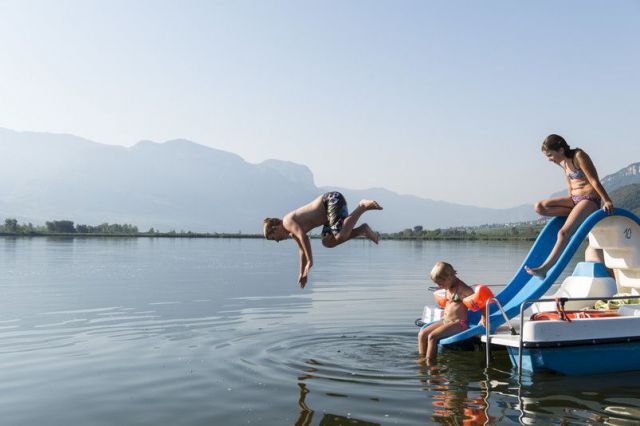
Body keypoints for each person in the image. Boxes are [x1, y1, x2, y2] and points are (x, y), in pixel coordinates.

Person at [525, 134, 614, 278]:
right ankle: (576, 214)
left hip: (589, 199)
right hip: (575, 200)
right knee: (539, 207)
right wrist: (571, 205)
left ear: (560, 150)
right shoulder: (564, 164)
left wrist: (607, 200)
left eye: (550, 155)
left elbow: (594, 180)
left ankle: (545, 268)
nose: (549, 159)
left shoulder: (579, 156)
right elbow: (570, 188)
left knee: (563, 233)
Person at [263, 192, 383, 288]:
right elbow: (302, 250)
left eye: (274, 238)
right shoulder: (293, 233)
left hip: (330, 201)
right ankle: (362, 230)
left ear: (275, 228)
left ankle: (362, 206)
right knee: (328, 242)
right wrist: (302, 272)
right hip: (328, 216)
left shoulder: (287, 221)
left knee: (339, 236)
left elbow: (304, 238)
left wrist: (310, 262)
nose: (277, 241)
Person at [418, 262, 484, 363]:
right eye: (437, 284)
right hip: (445, 321)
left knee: (432, 337)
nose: (439, 286)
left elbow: (480, 303)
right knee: (422, 334)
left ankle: (430, 364)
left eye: (441, 283)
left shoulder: (463, 289)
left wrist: (484, 317)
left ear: (450, 277)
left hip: (459, 324)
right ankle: (421, 359)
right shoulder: (448, 286)